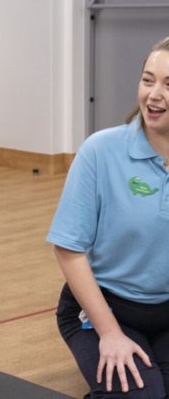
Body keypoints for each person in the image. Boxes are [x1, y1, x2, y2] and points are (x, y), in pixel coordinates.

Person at [48, 36, 169, 399]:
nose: (154, 95)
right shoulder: (101, 151)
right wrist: (111, 334)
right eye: (148, 80)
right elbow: (68, 250)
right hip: (103, 308)